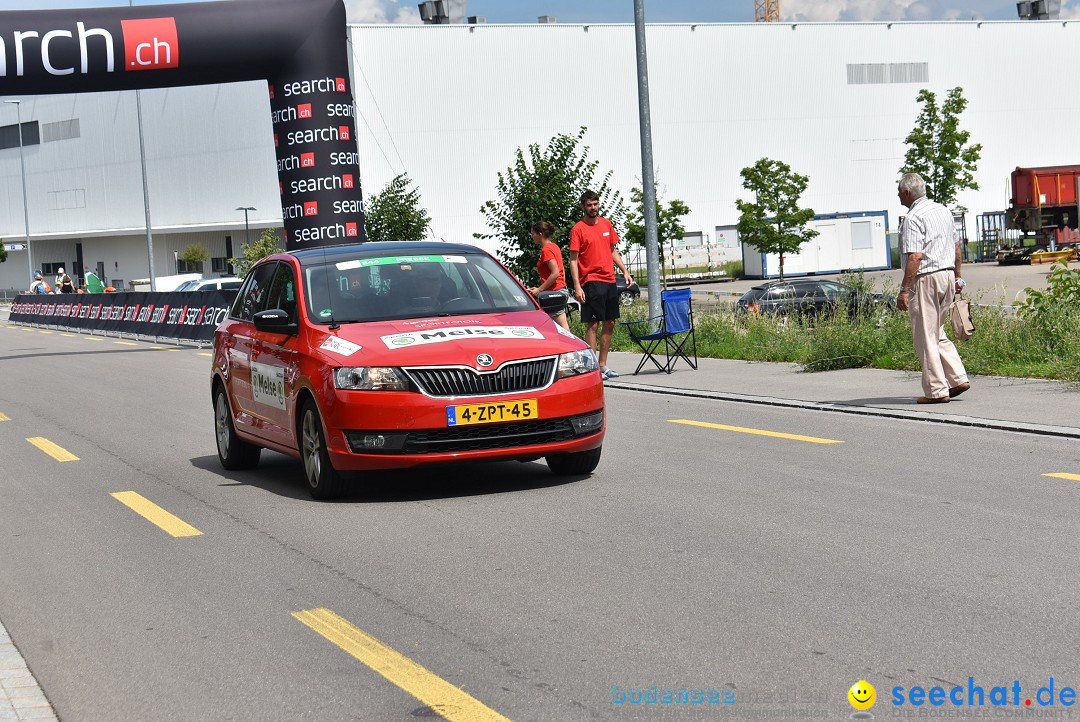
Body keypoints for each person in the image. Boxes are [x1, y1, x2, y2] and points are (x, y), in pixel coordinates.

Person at [896, 172, 970, 404]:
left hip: (926, 278)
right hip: (947, 275)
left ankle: (936, 390)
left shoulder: (913, 217)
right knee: (937, 331)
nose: (898, 196)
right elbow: (956, 246)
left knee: (924, 337)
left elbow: (915, 256)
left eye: (899, 192)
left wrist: (905, 289)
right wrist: (957, 276)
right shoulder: (943, 211)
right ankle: (957, 378)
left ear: (907, 193)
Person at [569, 190, 635, 380]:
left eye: (595, 204)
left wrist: (624, 270)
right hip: (590, 280)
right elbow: (573, 260)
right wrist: (578, 286)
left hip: (609, 279)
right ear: (583, 206)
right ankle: (592, 367)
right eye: (589, 205)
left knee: (610, 322)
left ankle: (603, 365)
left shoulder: (606, 224)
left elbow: (612, 250)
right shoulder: (578, 229)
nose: (593, 208)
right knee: (593, 323)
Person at [527, 221, 571, 331]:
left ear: (540, 234)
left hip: (555, 292)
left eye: (533, 234)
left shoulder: (546, 250)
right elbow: (561, 271)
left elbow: (555, 273)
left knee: (559, 328)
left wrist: (539, 289)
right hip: (559, 290)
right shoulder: (554, 246)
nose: (532, 236)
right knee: (559, 328)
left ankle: (571, 347)